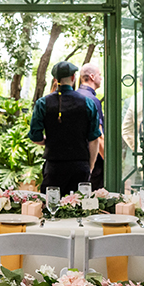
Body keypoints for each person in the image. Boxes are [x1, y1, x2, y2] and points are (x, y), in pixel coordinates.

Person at [29, 61, 102, 195]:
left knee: (51, 208)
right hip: (80, 166)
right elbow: (94, 139)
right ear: (74, 77)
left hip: (54, 167)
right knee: (79, 208)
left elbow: (35, 137)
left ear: (56, 80)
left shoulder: (42, 103)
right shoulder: (88, 103)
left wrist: (50, 140)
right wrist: (90, 166)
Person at [76, 63, 106, 190]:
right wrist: (107, 160)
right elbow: (98, 136)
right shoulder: (92, 100)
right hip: (93, 161)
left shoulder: (74, 96)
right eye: (100, 75)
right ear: (92, 77)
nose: (101, 78)